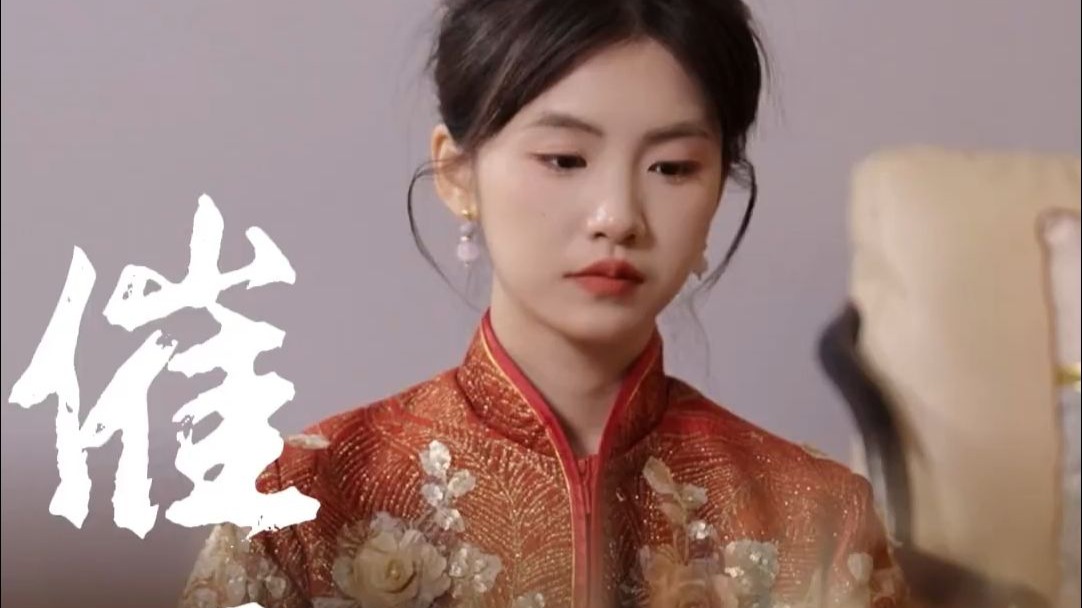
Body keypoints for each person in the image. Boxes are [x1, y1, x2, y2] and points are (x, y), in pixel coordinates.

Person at [178, 0, 908, 606]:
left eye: (672, 167)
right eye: (565, 159)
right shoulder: (304, 503)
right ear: (457, 173)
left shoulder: (818, 517)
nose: (617, 215)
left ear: (718, 190)